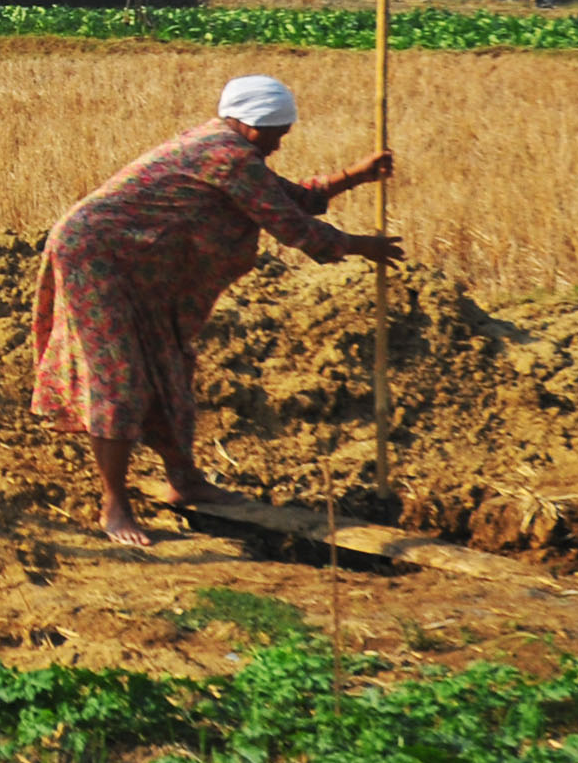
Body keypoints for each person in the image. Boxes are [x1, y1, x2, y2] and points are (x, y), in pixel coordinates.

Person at [30, 75, 401, 546]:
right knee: (119, 377)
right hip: (97, 258)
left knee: (171, 365)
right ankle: (115, 506)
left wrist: (356, 175)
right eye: (278, 132)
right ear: (252, 125)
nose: (280, 143)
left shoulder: (230, 149)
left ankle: (184, 480)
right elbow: (291, 225)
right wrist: (359, 246)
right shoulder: (226, 155)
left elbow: (291, 197)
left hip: (139, 264)